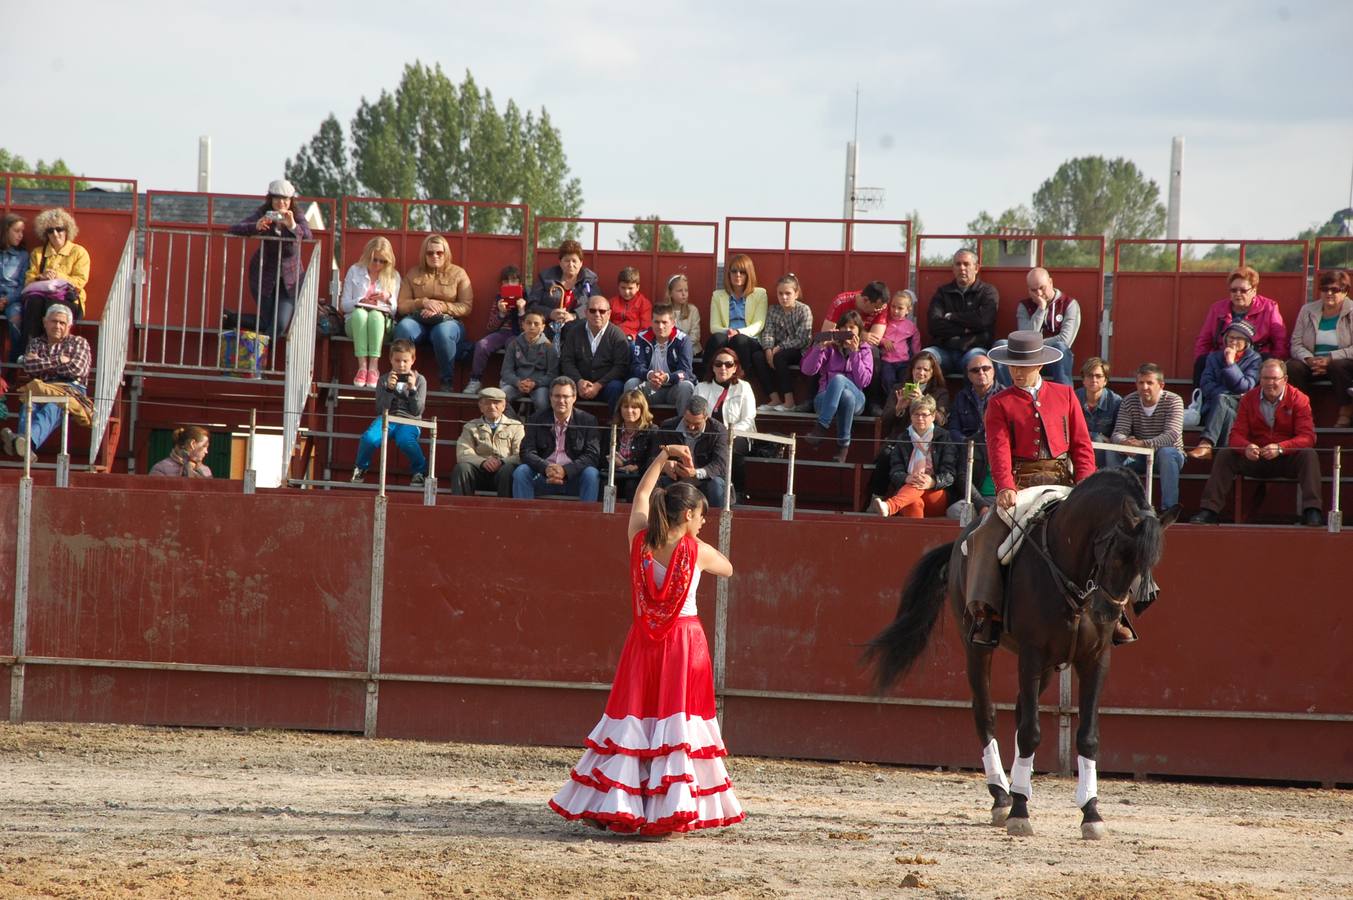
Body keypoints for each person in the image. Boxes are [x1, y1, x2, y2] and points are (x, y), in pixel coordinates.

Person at [547, 443, 742, 835]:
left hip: (643, 642)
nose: (703, 523)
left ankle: (616, 801)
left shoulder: (639, 539)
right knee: (676, 722)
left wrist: (661, 458)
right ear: (688, 514)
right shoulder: (697, 550)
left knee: (636, 718)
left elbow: (640, 495)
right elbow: (730, 569)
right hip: (684, 642)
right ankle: (669, 805)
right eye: (701, 516)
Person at [963, 331, 1097, 646]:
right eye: (1013, 366)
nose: (1018, 372)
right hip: (1021, 486)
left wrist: (1087, 484)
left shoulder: (1064, 394)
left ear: (1039, 366)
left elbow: (1081, 445)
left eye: (1024, 366)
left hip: (1064, 483)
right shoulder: (999, 402)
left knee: (1105, 532)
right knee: (985, 535)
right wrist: (1005, 486)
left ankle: (1115, 614)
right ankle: (985, 612)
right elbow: (998, 448)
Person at [1190, 359, 1324, 527]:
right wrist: (1246, 447)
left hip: (1286, 458)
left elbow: (1308, 437)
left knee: (1309, 455)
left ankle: (1312, 510)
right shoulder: (1248, 399)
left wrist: (1281, 448)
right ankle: (1209, 510)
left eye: (1275, 378)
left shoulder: (1299, 399)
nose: (1270, 383)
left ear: (1285, 379)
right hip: (1256, 457)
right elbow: (1236, 435)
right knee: (1226, 454)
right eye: (1265, 378)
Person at [1, 304, 92, 461]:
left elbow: (76, 369)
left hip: (69, 388)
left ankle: (23, 442)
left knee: (54, 405)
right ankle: (25, 445)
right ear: (45, 322)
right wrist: (59, 360)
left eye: (62, 323)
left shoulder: (79, 342)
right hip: (40, 387)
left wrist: (43, 363)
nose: (57, 326)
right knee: (29, 402)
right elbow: (30, 367)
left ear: (69, 325)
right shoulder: (36, 343)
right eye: (54, 321)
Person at [227, 180, 311, 343]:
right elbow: (234, 228)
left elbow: (307, 235)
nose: (281, 203)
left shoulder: (296, 214)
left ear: (291, 201)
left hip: (290, 281)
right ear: (270, 199)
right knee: (269, 322)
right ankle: (259, 362)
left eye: (286, 199)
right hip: (263, 276)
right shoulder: (263, 213)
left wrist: (292, 225)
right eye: (277, 199)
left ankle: (232, 320)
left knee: (278, 324)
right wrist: (256, 226)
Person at [393, 234, 473, 392]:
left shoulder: (458, 273)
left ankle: (446, 382)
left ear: (446, 253)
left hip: (448, 322)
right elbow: (401, 305)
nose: (435, 256)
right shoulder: (413, 273)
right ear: (424, 254)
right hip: (418, 321)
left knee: (442, 333)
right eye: (430, 253)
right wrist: (422, 302)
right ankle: (401, 379)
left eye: (439, 253)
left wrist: (441, 307)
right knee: (404, 328)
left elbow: (466, 306)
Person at [349, 339, 429, 487]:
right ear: (391, 360)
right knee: (369, 438)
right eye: (397, 360)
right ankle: (360, 467)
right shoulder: (384, 379)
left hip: (410, 421)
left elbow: (417, 410)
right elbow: (380, 409)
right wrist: (389, 390)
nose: (401, 365)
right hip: (387, 418)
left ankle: (420, 471)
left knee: (406, 441)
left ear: (413, 360)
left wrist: (412, 390)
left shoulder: (420, 380)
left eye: (405, 361)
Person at [1191, 265, 1287, 387]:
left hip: (1255, 356)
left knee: (1266, 361)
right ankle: (1198, 401)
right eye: (1233, 290)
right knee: (1202, 362)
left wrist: (1275, 363)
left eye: (1243, 290)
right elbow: (1204, 340)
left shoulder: (1269, 307)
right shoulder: (1217, 308)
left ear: (1254, 290)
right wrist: (1203, 358)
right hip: (1223, 354)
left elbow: (1280, 340)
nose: (1237, 294)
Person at [1108, 363, 1185, 512]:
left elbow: (1172, 435)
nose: (1144, 387)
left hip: (1167, 455)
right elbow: (1117, 433)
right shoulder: (1129, 401)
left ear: (1161, 385)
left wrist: (1143, 444)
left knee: (1167, 453)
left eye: (1149, 383)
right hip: (1139, 456)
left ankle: (1168, 510)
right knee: (1111, 451)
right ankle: (1118, 506)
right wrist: (1124, 443)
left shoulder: (1173, 400)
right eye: (1141, 383)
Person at [512, 376, 602, 501]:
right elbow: (526, 451)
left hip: (573, 479)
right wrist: (546, 467)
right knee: (521, 472)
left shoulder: (587, 420)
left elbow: (592, 455)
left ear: (574, 398)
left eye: (566, 397)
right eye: (557, 396)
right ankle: (523, 518)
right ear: (550, 397)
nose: (561, 400)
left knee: (591, 474)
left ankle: (587, 519)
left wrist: (566, 471)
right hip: (544, 477)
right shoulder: (536, 418)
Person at [802, 310, 874, 463]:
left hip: (857, 399)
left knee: (841, 382)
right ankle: (843, 446)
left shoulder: (865, 349)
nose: (847, 331)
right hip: (825, 397)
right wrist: (820, 347)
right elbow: (807, 370)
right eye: (844, 327)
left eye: (852, 328)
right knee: (845, 396)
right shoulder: (829, 347)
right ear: (838, 329)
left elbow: (864, 382)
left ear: (859, 331)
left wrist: (855, 353)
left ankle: (821, 428)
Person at [992, 267, 1081, 386]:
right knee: (1001, 346)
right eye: (1033, 290)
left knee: (1061, 347)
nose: (1039, 293)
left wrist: (1036, 345)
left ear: (1050, 282)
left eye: (1042, 288)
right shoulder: (1024, 306)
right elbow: (1024, 340)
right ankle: (1009, 394)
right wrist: (1041, 309)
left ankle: (1066, 398)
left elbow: (1065, 339)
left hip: (1054, 359)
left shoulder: (1069, 304)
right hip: (1027, 359)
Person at [1186, 321, 1261, 461]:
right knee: (1228, 413)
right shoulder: (1214, 357)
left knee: (1223, 399)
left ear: (1247, 342)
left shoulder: (1255, 359)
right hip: (1215, 407)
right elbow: (1206, 384)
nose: (1233, 342)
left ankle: (1206, 443)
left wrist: (1231, 363)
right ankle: (1224, 460)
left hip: (1241, 405)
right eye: (1230, 337)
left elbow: (1246, 386)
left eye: (1239, 339)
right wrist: (1227, 394)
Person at [1287, 269, 1353, 427]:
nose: (1328, 293)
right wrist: (1309, 359)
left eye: (1334, 289)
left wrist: (1330, 359)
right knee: (1292, 367)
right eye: (1324, 289)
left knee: (1338, 366)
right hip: (1312, 362)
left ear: (1345, 291)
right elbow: (1296, 342)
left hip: (1342, 363)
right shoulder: (1307, 310)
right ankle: (1303, 414)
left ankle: (1346, 412)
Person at [870, 395, 955, 518]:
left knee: (915, 487)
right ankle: (916, 536)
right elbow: (895, 471)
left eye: (924, 415)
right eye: (916, 414)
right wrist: (907, 478)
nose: (920, 418)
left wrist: (932, 481)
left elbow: (950, 473)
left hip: (936, 494)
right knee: (913, 503)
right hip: (908, 493)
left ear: (932, 416)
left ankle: (890, 506)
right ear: (911, 417)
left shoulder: (944, 438)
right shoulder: (903, 438)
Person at [694, 347, 756, 503]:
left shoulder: (744, 387)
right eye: (719, 364)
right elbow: (695, 417)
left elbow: (748, 419)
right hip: (708, 435)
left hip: (738, 435)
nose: (723, 368)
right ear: (712, 367)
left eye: (728, 364)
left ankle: (739, 491)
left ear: (735, 367)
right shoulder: (701, 388)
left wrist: (728, 433)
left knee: (730, 446)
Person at [923, 249, 998, 376]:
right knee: (923, 359)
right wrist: (966, 329)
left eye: (966, 264)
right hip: (944, 350)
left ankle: (971, 397)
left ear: (976, 268)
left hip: (974, 349)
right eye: (958, 264)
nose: (962, 268)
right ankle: (918, 396)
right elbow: (934, 325)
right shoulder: (942, 292)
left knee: (976, 363)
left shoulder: (987, 292)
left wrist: (952, 316)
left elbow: (984, 320)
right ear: (953, 268)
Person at [21, 207, 91, 342]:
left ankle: (54, 352)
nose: (55, 234)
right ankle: (29, 349)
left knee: (53, 308)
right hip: (41, 298)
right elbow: (28, 281)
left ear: (67, 230)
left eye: (59, 229)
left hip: (69, 299)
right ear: (45, 234)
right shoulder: (38, 253)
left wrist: (58, 276)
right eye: (50, 230)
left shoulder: (79, 252)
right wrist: (41, 277)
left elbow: (80, 281)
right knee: (33, 303)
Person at [339, 237, 400, 387]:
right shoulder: (354, 270)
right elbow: (344, 305)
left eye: (383, 261)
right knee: (360, 314)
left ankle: (373, 368)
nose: (378, 265)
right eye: (375, 260)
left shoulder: (393, 276)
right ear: (367, 256)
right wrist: (360, 301)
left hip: (380, 324)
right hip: (355, 322)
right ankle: (362, 367)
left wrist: (387, 298)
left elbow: (394, 311)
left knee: (375, 316)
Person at [823, 280, 891, 414]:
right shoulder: (841, 301)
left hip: (862, 348)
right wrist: (860, 335)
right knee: (820, 346)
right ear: (865, 300)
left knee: (874, 353)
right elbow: (825, 333)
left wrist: (858, 338)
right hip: (838, 344)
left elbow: (875, 339)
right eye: (876, 307)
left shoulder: (882, 306)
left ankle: (873, 402)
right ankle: (813, 397)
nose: (878, 310)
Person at [650, 394, 730, 508]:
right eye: (687, 422)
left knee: (716, 485)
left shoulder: (719, 431)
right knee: (653, 481)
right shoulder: (668, 427)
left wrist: (695, 473)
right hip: (675, 479)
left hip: (706, 481)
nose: (691, 427)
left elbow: (720, 464)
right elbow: (652, 457)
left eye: (697, 424)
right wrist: (663, 465)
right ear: (683, 414)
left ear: (706, 417)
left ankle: (716, 522)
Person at [945, 353, 997, 516]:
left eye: (985, 368)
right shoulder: (962, 396)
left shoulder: (1005, 395)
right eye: (975, 370)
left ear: (993, 371)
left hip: (1007, 496)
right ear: (968, 375)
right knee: (956, 512)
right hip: (970, 450)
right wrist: (970, 444)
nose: (981, 373)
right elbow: (952, 428)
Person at [451, 387, 524, 497]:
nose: (492, 407)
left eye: (496, 403)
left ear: (504, 406)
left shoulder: (516, 426)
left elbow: (520, 454)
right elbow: (463, 453)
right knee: (462, 468)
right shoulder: (470, 426)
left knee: (509, 469)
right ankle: (461, 510)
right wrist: (483, 462)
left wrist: (502, 462)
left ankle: (505, 510)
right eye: (487, 403)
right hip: (479, 472)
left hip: (503, 472)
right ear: (480, 406)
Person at [465, 265, 526, 396]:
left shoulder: (526, 299)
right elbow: (490, 327)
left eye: (514, 281)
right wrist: (501, 314)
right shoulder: (499, 299)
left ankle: (507, 380)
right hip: (501, 333)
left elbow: (527, 329)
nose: (510, 284)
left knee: (513, 345)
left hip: (518, 335)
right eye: (506, 281)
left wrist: (521, 311)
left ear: (520, 284)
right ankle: (475, 380)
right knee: (482, 345)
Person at [755, 273, 813, 412]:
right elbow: (768, 332)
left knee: (780, 356)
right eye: (780, 293)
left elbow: (803, 339)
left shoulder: (804, 310)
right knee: (757, 356)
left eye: (788, 293)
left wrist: (780, 347)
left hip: (799, 350)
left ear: (796, 294)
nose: (784, 297)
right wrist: (768, 349)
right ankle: (774, 398)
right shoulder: (773, 310)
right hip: (775, 349)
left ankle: (789, 401)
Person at [560, 295, 630, 410]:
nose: (597, 314)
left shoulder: (617, 335)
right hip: (579, 385)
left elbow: (620, 367)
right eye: (592, 310)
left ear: (609, 313)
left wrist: (598, 385)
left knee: (616, 387)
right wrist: (579, 381)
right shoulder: (574, 332)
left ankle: (614, 424)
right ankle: (565, 425)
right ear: (586, 312)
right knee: (561, 386)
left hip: (605, 386)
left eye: (602, 311)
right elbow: (567, 361)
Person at [626, 303, 696, 416]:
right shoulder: (642, 337)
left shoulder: (683, 339)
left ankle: (683, 429)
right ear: (651, 322)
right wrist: (650, 375)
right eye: (656, 322)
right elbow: (636, 366)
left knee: (686, 386)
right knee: (631, 383)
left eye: (664, 322)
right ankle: (633, 429)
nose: (660, 326)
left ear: (673, 323)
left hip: (674, 388)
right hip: (650, 387)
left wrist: (667, 378)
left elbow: (686, 371)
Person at [529, 239, 600, 350]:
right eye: (567, 260)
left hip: (577, 331)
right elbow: (531, 305)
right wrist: (550, 313)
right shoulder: (546, 279)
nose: (570, 264)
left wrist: (574, 316)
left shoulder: (589, 281)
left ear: (581, 263)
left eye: (574, 261)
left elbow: (598, 306)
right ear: (560, 262)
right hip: (547, 328)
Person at [705, 254, 767, 379]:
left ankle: (741, 380)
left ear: (749, 274)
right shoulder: (717, 295)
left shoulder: (760, 294)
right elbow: (714, 326)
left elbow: (759, 324)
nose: (737, 275)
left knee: (739, 340)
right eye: (734, 271)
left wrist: (738, 332)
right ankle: (707, 379)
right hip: (726, 335)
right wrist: (728, 332)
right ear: (728, 273)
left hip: (749, 339)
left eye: (742, 272)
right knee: (717, 339)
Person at [500, 309, 559, 416]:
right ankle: (516, 425)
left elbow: (552, 374)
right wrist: (518, 382)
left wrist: (535, 383)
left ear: (543, 327)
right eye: (528, 323)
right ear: (523, 325)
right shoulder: (514, 345)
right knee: (500, 398)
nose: (532, 326)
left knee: (543, 403)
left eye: (536, 324)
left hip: (540, 385)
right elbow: (506, 371)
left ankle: (536, 429)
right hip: (517, 383)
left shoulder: (549, 347)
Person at [608, 389, 658, 501]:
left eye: (634, 407)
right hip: (614, 474)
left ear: (642, 410)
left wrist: (633, 466)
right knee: (603, 483)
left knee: (632, 485)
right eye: (625, 407)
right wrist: (610, 460)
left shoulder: (652, 430)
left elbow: (653, 458)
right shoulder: (612, 429)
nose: (629, 411)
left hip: (638, 475)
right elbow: (601, 456)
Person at [869, 289, 921, 395]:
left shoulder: (911, 327)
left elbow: (916, 346)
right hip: (887, 361)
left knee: (905, 381)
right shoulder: (884, 323)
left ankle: (904, 404)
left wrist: (916, 360)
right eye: (893, 306)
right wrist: (883, 341)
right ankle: (891, 401)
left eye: (900, 308)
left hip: (904, 361)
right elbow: (875, 338)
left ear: (908, 310)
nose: (895, 311)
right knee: (887, 379)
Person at [1077, 357, 1122, 470]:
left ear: (1105, 380)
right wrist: (1096, 435)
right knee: (1095, 438)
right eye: (1090, 375)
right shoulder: (1073, 398)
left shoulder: (1116, 402)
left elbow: (1120, 431)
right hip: (1079, 447)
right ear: (1083, 379)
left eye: (1098, 376)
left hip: (1107, 451)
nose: (1094, 379)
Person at [1, 213, 29, 363]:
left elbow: (24, 284)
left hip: (13, 299)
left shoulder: (23, 256)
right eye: (17, 231)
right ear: (6, 231)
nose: (20, 235)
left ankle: (12, 367)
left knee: (16, 322)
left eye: (22, 232)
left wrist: (7, 300)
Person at [609, 267, 652, 341]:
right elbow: (606, 323)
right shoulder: (612, 302)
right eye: (623, 288)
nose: (626, 292)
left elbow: (645, 328)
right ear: (618, 286)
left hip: (634, 339)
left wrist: (632, 337)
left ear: (638, 287)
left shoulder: (644, 304)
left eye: (630, 288)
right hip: (614, 337)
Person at [665, 273, 701, 345]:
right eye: (679, 290)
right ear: (670, 293)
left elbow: (695, 336)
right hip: (670, 350)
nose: (684, 294)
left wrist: (682, 347)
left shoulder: (692, 310)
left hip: (692, 351)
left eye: (686, 290)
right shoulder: (664, 311)